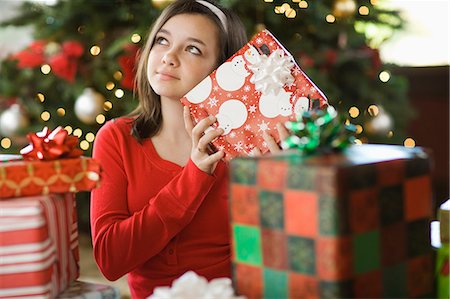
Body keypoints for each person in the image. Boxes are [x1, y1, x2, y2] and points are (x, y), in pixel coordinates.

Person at [90, 0, 289, 297]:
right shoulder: (116, 138)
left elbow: (273, 266)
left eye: (192, 48)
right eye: (162, 40)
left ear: (223, 68)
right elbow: (110, 260)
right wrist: (194, 176)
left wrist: (284, 189)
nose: (169, 57)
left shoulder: (251, 152)